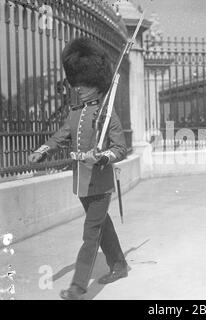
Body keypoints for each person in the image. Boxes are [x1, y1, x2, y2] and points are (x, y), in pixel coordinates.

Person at [28, 38, 128, 300]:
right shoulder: (76, 113)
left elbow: (120, 149)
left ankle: (78, 288)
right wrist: (42, 150)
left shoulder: (108, 115)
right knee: (101, 225)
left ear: (98, 85)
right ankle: (119, 265)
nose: (79, 88)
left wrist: (101, 157)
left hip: (101, 183)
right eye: (78, 83)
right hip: (82, 184)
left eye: (85, 84)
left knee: (90, 234)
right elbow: (60, 137)